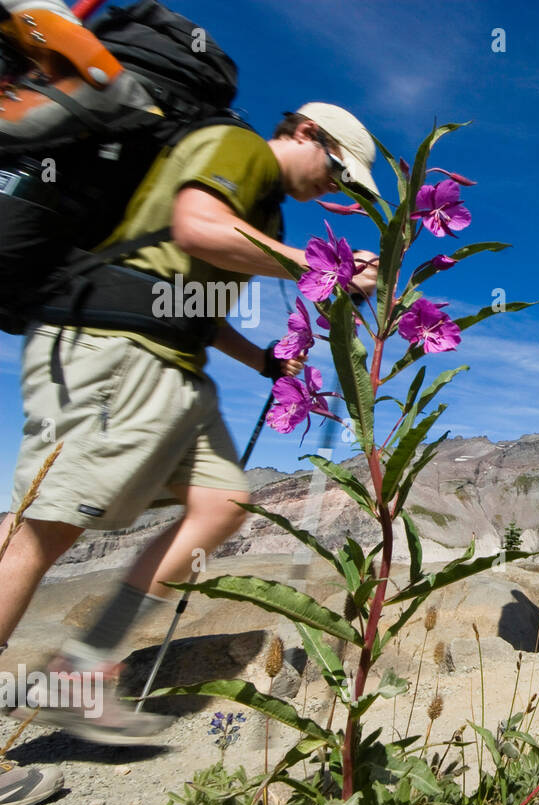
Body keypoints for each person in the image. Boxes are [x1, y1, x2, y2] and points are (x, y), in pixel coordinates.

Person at [0, 103, 381, 750]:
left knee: (222, 503)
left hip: (174, 363)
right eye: (339, 173)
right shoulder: (240, 150)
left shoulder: (266, 211)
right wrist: (324, 268)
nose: (335, 190)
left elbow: (198, 303)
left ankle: (79, 671)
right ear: (309, 134)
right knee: (48, 527)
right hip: (116, 348)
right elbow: (196, 228)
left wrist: (264, 361)